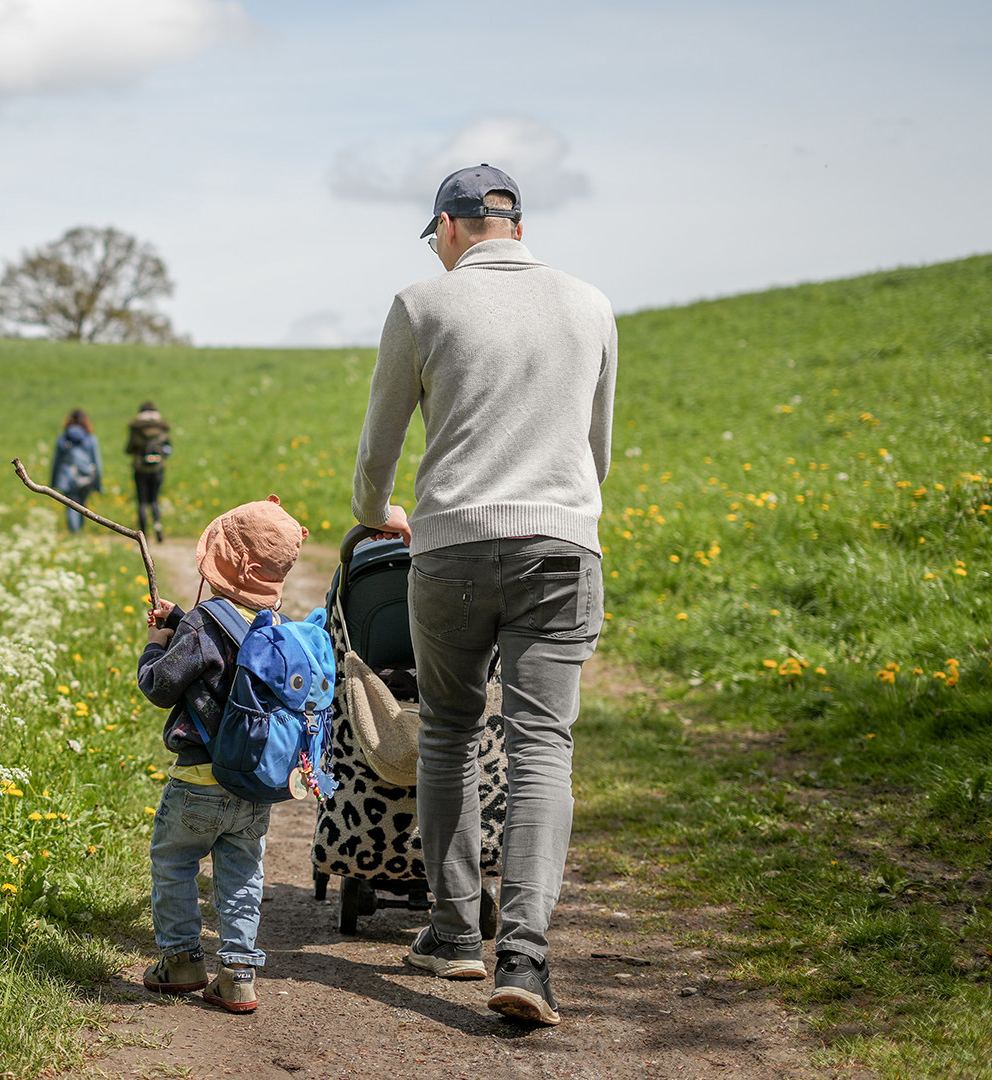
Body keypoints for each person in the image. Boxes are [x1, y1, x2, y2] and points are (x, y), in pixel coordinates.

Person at [350, 164, 616, 1026]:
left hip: (452, 547)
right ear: (519, 227)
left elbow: (381, 441)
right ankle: (527, 960)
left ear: (450, 230)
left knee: (449, 729)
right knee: (544, 747)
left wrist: (373, 513)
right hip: (560, 543)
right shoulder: (591, 304)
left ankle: (454, 931)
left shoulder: (423, 304)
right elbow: (595, 450)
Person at [136, 496, 309, 1015]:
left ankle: (182, 961)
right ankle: (237, 976)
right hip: (252, 785)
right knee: (241, 877)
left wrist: (156, 640)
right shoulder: (275, 626)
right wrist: (184, 619)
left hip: (197, 783)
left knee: (174, 862)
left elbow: (161, 686)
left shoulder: (201, 627)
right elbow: (228, 654)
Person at [48, 409, 103, 534]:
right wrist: (98, 484)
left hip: (68, 478)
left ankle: (74, 532)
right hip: (87, 478)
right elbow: (97, 462)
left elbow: (56, 461)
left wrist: (53, 482)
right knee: (82, 505)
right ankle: (79, 530)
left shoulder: (62, 439)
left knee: (71, 505)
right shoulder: (90, 439)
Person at [125, 401, 172, 542]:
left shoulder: (136, 428)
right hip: (158, 468)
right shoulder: (162, 427)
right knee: (154, 500)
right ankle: (158, 525)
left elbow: (129, 448)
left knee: (142, 502)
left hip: (140, 468)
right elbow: (168, 448)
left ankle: (143, 533)